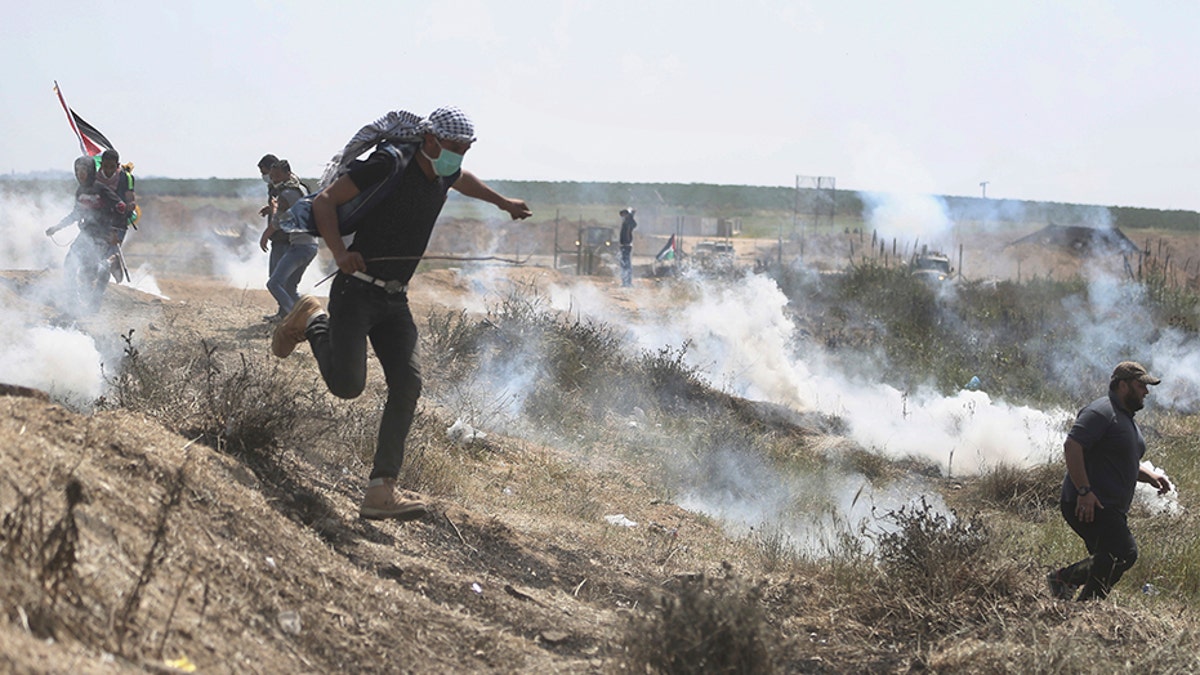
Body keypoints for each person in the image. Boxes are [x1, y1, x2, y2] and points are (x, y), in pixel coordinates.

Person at [271, 106, 531, 520]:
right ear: (429, 141)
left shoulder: (444, 169)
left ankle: (381, 489)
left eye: (466, 148)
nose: (459, 155)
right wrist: (340, 253)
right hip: (356, 291)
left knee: (407, 384)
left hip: (395, 299)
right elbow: (324, 202)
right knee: (347, 386)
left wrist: (502, 202)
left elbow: (460, 178)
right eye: (454, 147)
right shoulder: (387, 163)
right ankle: (312, 319)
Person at [1046, 361, 1173, 601]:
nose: (1146, 391)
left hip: (1109, 506)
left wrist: (1150, 476)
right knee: (1123, 554)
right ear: (1123, 386)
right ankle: (1063, 579)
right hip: (1089, 502)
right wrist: (1084, 491)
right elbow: (1072, 445)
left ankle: (1086, 610)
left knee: (1105, 564)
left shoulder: (1125, 419)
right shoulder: (1101, 411)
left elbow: (1123, 461)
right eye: (1141, 385)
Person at [45, 156, 129, 313]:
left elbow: (121, 208)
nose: (80, 173)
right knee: (70, 263)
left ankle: (96, 299)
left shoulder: (101, 190)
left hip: (102, 235)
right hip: (86, 234)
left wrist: (114, 231)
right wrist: (57, 228)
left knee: (98, 268)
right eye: (77, 170)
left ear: (90, 171)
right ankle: (72, 300)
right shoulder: (80, 191)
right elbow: (76, 213)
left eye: (83, 170)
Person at [261, 160, 316, 317]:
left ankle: (293, 317)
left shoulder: (286, 194)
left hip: (299, 245)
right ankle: (312, 317)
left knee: (274, 283)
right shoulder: (302, 188)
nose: (275, 180)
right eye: (272, 177)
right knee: (290, 288)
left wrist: (265, 235)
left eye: (277, 176)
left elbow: (278, 223)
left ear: (287, 174)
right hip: (311, 244)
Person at [93, 149, 137, 282]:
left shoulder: (125, 178)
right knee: (97, 253)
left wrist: (128, 206)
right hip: (99, 221)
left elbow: (131, 199)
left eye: (112, 167)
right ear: (101, 165)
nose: (108, 170)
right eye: (105, 166)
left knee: (109, 254)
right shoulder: (95, 178)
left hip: (119, 222)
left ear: (117, 166)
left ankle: (114, 264)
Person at [256, 153, 289, 320]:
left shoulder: (287, 188)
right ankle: (283, 313)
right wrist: (269, 209)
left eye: (265, 172)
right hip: (278, 238)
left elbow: (281, 215)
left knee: (279, 280)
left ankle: (289, 314)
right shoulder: (274, 187)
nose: (264, 176)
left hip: (284, 237)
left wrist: (267, 233)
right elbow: (279, 208)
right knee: (276, 278)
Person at [618, 207, 637, 287]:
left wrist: (631, 216)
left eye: (625, 214)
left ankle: (627, 282)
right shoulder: (626, 222)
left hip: (626, 245)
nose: (623, 216)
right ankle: (625, 282)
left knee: (626, 264)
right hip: (624, 245)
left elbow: (634, 225)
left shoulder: (629, 222)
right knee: (624, 264)